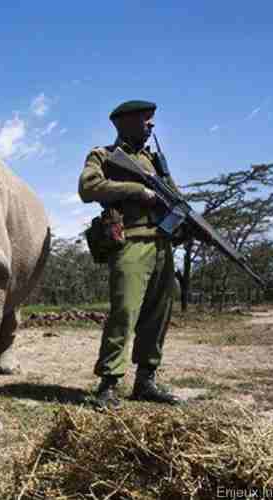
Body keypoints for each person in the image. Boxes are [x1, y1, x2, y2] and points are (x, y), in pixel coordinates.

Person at [78, 100, 182, 410]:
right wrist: (137, 192)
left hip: (162, 244)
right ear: (125, 122)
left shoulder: (155, 161)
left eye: (152, 121)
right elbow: (88, 187)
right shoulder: (105, 155)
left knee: (159, 314)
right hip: (131, 243)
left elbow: (175, 199)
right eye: (145, 120)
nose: (151, 126)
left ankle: (146, 380)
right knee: (125, 312)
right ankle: (109, 384)